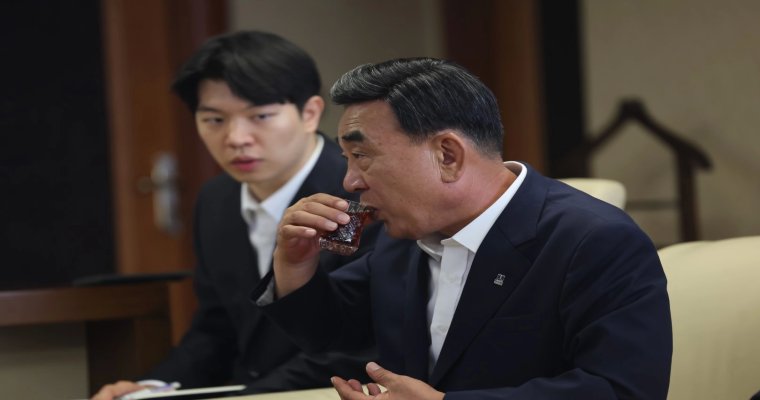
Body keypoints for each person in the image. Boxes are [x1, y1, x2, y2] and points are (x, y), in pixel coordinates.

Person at [254, 57, 672, 399]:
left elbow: (621, 389)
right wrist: (294, 265)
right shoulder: (403, 237)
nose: (349, 182)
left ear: (448, 155)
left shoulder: (595, 239)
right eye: (346, 159)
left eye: (362, 156)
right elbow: (331, 334)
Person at [92, 31, 377, 400]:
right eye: (214, 120)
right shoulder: (216, 200)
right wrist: (152, 389)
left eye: (260, 116)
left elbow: (355, 342)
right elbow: (216, 329)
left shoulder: (357, 192)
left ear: (309, 113)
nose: (236, 138)